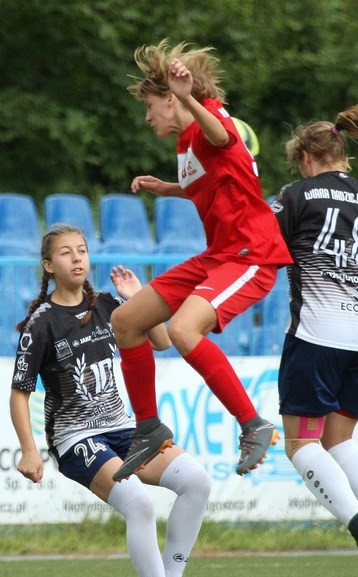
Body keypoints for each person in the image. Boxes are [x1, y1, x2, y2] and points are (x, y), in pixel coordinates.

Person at [10, 224, 213, 577]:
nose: (77, 258)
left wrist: (138, 299)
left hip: (123, 428)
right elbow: (19, 393)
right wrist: (29, 450)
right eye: (66, 252)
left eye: (82, 250)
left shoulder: (106, 304)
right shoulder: (41, 323)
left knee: (196, 482)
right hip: (75, 437)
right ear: (48, 266)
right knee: (138, 503)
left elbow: (161, 341)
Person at [110, 39, 293, 482]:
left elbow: (223, 138)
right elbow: (215, 178)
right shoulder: (185, 143)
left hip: (251, 254)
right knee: (126, 321)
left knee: (182, 330)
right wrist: (168, 188)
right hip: (218, 256)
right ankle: (148, 428)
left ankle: (253, 424)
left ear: (172, 99)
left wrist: (190, 96)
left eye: (151, 106)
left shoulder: (211, 116)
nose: (148, 116)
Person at [271, 90, 358, 577]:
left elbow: (257, 242)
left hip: (319, 333)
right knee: (339, 440)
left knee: (301, 443)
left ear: (307, 158)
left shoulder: (297, 195)